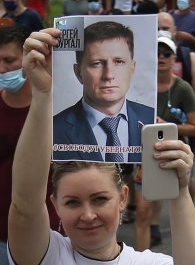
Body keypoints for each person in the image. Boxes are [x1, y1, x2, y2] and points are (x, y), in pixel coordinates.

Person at [10, 27, 195, 265]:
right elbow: (24, 203)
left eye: (100, 199)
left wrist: (179, 193)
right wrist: (44, 95)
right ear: (55, 205)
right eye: (73, 202)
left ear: (123, 198)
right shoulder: (45, 264)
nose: (88, 214)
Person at [0, 25, 60, 265]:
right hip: (2, 238)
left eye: (10, 60)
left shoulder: (54, 105)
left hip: (47, 236)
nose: (4, 68)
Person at [133, 34, 195, 252]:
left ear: (174, 60)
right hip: (145, 155)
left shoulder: (182, 88)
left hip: (173, 155)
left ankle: (186, 253)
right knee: (142, 211)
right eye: (157, 53)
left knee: (181, 210)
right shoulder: (140, 85)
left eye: (166, 53)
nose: (161, 57)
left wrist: (167, 127)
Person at [52, 21, 155, 162]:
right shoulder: (53, 129)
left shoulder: (152, 120)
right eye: (96, 63)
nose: (108, 75)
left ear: (132, 68)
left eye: (119, 62)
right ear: (78, 73)